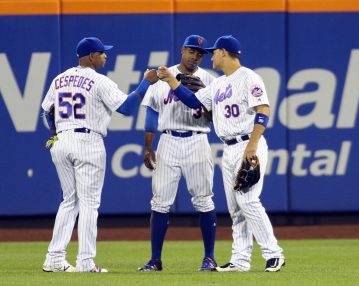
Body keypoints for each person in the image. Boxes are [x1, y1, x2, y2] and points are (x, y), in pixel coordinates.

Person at [157, 35, 285, 272]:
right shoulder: (218, 84)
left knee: (248, 200)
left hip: (248, 144)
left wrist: (252, 146)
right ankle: (240, 260)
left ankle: (273, 253)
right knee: (236, 209)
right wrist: (172, 80)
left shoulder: (249, 77)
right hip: (228, 148)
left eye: (214, 52)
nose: (211, 56)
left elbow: (264, 110)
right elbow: (193, 102)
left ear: (224, 52)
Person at [41, 36, 158, 273]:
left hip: (61, 141)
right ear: (91, 56)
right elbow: (126, 108)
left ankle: (54, 258)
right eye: (102, 53)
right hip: (88, 141)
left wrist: (55, 135)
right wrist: (146, 83)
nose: (106, 56)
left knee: (69, 200)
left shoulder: (59, 79)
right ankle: (85, 261)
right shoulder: (98, 80)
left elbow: (47, 112)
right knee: (89, 204)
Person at [138, 35, 217, 272]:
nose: (195, 56)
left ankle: (209, 258)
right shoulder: (163, 76)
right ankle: (155, 260)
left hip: (198, 140)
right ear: (182, 50)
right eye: (192, 51)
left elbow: (215, 114)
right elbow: (152, 114)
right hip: (169, 141)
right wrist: (148, 146)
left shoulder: (209, 80)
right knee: (160, 201)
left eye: (200, 53)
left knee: (204, 199)